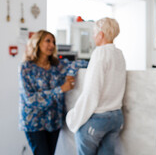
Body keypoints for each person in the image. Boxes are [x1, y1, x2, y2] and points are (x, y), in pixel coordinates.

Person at [19, 30, 88, 155]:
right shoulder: (26, 67)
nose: (52, 45)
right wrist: (61, 89)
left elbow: (81, 63)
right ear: (37, 43)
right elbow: (30, 98)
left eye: (54, 42)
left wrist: (70, 74)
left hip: (53, 121)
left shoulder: (58, 66)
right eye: (48, 41)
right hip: (34, 122)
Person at [66, 17, 126, 155]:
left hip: (98, 118)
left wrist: (74, 117)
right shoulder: (119, 54)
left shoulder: (100, 53)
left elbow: (91, 91)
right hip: (116, 117)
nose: (93, 37)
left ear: (101, 34)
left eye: (94, 33)